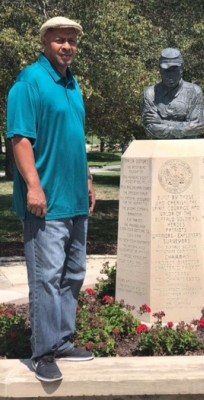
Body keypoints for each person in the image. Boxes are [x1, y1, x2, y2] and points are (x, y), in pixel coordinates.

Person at [6, 16, 96, 382]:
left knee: (73, 273)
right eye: (60, 40)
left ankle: (61, 341)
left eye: (72, 41)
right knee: (46, 277)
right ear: (45, 42)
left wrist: (88, 179)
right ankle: (43, 352)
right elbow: (20, 139)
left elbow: (75, 138)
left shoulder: (72, 85)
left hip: (74, 198)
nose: (67, 47)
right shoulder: (29, 83)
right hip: (46, 202)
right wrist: (33, 186)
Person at [142, 47, 204, 139]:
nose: (170, 75)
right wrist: (184, 129)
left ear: (182, 68)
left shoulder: (194, 91)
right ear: (160, 69)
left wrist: (161, 122)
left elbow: (196, 128)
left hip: (187, 148)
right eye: (166, 70)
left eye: (174, 70)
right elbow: (150, 129)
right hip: (159, 148)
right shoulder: (151, 93)